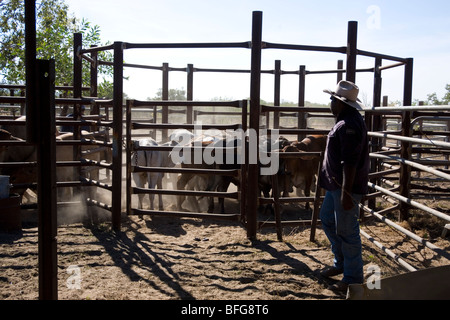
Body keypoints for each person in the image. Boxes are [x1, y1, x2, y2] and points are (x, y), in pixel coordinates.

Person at [319, 80, 370, 293]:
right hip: (336, 186)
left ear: (340, 103)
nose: (330, 103)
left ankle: (352, 277)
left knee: (347, 231)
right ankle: (341, 264)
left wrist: (346, 193)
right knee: (329, 221)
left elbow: (350, 161)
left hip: (344, 187)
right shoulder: (345, 121)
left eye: (332, 99)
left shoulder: (348, 124)